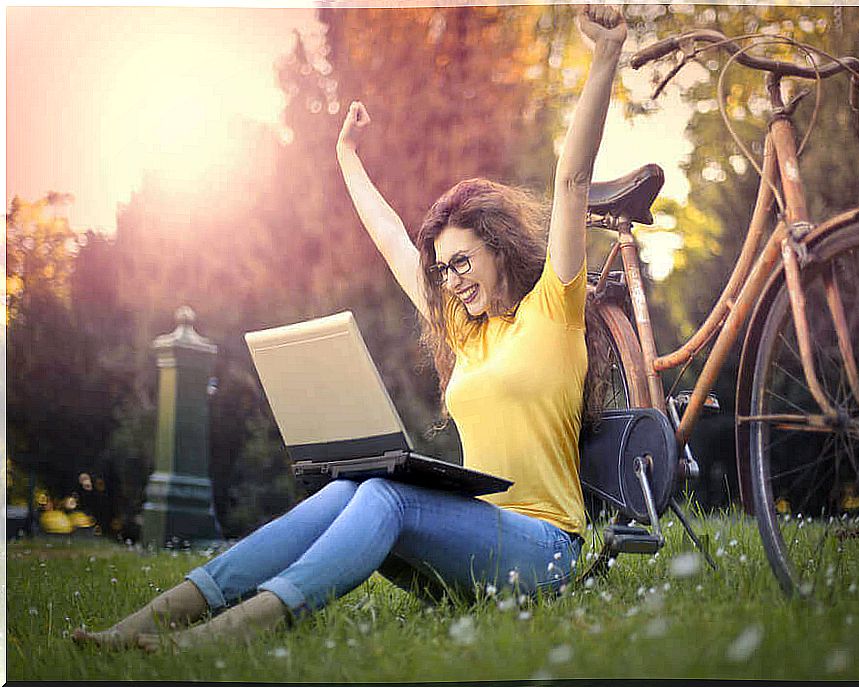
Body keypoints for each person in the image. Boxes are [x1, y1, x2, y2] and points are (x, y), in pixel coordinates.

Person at [72, 4, 626, 652]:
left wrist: (606, 56)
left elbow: (571, 178)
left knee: (389, 498)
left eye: (461, 262)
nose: (452, 281)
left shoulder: (553, 310)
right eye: (442, 270)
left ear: (499, 247)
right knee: (363, 484)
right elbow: (392, 239)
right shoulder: (468, 334)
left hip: (545, 553)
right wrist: (346, 157)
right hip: (471, 545)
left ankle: (236, 629)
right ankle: (152, 618)